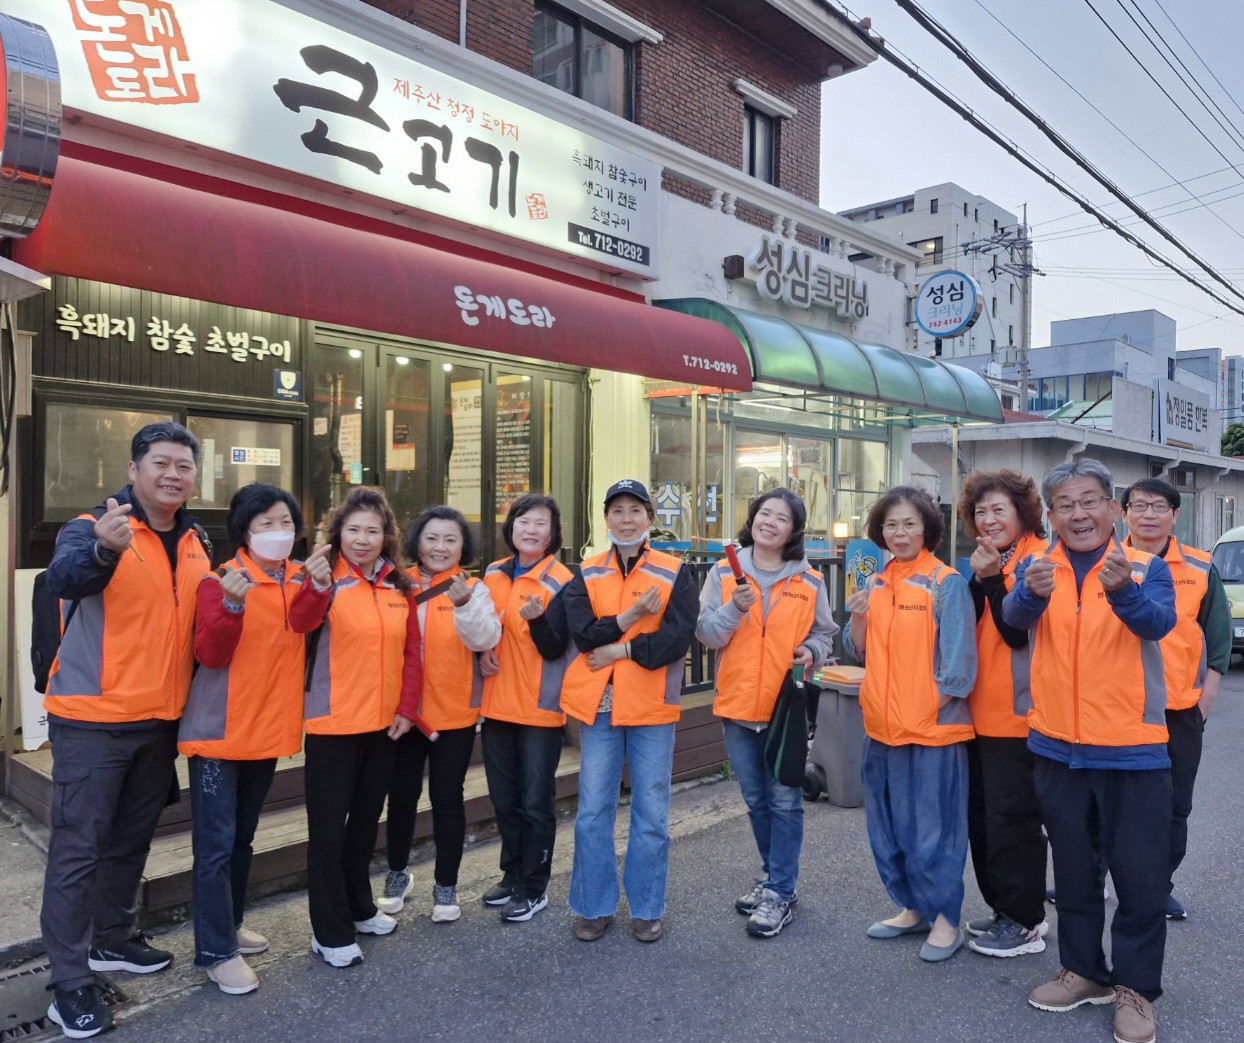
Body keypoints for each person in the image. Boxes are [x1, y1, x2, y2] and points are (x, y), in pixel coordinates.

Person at [38, 422, 211, 1038]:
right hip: (94, 720)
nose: (173, 474)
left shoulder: (195, 540)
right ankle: (69, 982)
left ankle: (111, 939)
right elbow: (66, 581)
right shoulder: (93, 527)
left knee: (131, 839)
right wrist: (106, 550)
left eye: (184, 466)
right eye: (160, 463)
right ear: (135, 469)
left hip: (161, 719)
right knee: (77, 849)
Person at [1003, 459, 1176, 1043]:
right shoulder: (1036, 566)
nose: (1078, 514)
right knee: (1074, 872)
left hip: (1132, 749)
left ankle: (1135, 988)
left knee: (1141, 878)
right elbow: (1013, 621)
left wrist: (1123, 591)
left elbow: (1158, 625)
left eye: (1090, 501)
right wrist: (1026, 594)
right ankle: (1083, 971)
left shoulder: (1146, 567)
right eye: (1065, 505)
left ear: (1112, 507)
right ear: (1050, 515)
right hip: (1056, 745)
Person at [180, 484, 333, 994]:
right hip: (219, 734)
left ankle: (232, 923)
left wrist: (317, 587)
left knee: (241, 840)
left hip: (266, 731)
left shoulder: (295, 577)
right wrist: (232, 606)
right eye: (266, 523)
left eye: (286, 523)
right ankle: (215, 951)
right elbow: (211, 654)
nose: (278, 532)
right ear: (244, 530)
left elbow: (302, 624)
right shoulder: (220, 579)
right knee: (215, 847)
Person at [297, 487, 429, 969]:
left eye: (373, 530)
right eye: (353, 529)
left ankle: (359, 907)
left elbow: (411, 653)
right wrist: (312, 585)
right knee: (328, 833)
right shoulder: (323, 578)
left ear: (386, 537)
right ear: (338, 532)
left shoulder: (397, 585)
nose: (362, 538)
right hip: (333, 723)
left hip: (384, 727)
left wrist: (406, 707)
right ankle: (328, 930)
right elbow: (300, 621)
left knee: (362, 828)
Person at [843, 486, 976, 963]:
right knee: (890, 827)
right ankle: (913, 907)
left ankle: (946, 920)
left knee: (933, 833)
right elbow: (857, 648)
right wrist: (857, 619)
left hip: (932, 732)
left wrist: (925, 711)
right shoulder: (877, 583)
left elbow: (960, 668)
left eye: (909, 524)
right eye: (891, 525)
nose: (899, 533)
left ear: (928, 529)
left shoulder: (946, 582)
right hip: (882, 727)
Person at [696, 488, 836, 939]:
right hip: (737, 706)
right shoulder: (723, 573)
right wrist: (733, 611)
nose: (770, 522)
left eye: (782, 518)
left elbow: (826, 635)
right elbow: (707, 635)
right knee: (756, 800)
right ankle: (773, 879)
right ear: (752, 519)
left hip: (784, 710)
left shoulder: (810, 580)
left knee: (784, 800)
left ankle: (780, 890)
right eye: (764, 514)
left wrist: (810, 649)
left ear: (794, 530)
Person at [561, 480, 697, 944]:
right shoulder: (585, 571)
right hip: (597, 706)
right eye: (617, 510)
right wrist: (628, 622)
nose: (626, 518)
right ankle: (594, 906)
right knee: (593, 811)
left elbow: (675, 640)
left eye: (635, 510)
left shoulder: (676, 571)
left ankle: (646, 907)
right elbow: (583, 634)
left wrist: (619, 651)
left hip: (651, 705)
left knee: (651, 812)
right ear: (606, 519)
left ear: (650, 518)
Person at [377, 507, 500, 923]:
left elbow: (485, 637)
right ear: (417, 542)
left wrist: (464, 605)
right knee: (401, 797)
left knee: (448, 799)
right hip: (404, 713)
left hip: (454, 712)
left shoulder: (474, 588)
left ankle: (446, 887)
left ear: (463, 546)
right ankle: (397, 875)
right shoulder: (396, 584)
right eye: (432, 538)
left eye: (451, 539)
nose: (440, 547)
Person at [1121, 478, 1230, 922]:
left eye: (1159, 506)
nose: (1149, 514)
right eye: (1139, 505)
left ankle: (1156, 886)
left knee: (1172, 805)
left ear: (1175, 515)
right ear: (1124, 512)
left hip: (1177, 710)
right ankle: (1086, 877)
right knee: (1100, 801)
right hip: (1115, 707)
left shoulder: (1201, 567)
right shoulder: (1102, 561)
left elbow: (1218, 640)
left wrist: (1203, 704)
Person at [956, 471, 1051, 958]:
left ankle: (1025, 920)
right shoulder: (989, 561)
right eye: (980, 512)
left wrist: (992, 581)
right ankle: (1003, 909)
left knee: (1013, 821)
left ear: (1022, 513)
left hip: (1019, 716)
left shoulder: (1038, 560)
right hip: (979, 712)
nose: (987, 520)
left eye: (998, 510)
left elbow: (1018, 633)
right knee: (985, 820)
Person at [477, 495, 574, 923]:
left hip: (540, 707)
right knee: (505, 799)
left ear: (553, 535)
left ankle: (534, 887)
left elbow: (556, 647)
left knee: (536, 801)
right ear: (511, 526)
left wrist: (537, 620)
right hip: (497, 703)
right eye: (523, 521)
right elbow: (479, 630)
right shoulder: (493, 574)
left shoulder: (563, 581)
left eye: (541, 524)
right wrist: (480, 652)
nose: (530, 530)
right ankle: (511, 874)